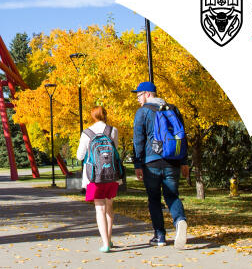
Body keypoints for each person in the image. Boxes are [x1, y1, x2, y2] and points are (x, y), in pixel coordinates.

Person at [131, 81, 189, 249]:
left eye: (139, 95)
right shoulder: (173, 109)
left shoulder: (142, 112)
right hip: (173, 161)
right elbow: (182, 137)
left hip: (152, 163)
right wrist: (184, 161)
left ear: (148, 94)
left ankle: (160, 235)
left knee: (154, 199)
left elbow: (138, 140)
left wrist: (137, 164)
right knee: (172, 195)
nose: (138, 99)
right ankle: (180, 220)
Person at [76, 106, 121, 253]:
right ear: (105, 115)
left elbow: (80, 156)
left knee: (99, 208)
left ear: (93, 116)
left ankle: (105, 243)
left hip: (94, 176)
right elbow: (115, 149)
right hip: (112, 175)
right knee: (109, 207)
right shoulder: (112, 130)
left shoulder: (87, 133)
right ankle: (109, 239)